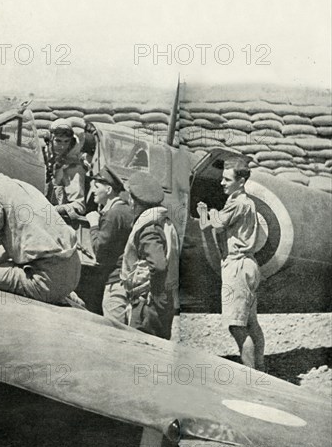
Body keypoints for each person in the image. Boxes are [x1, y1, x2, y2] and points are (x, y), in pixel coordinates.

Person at [0, 143, 81, 304]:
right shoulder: (19, 186)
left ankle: (54, 292)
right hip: (70, 272)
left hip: (45, 280)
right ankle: (67, 294)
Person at [197, 158, 265, 370]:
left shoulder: (237, 202)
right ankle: (261, 370)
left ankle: (250, 378)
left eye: (227, 179)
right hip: (248, 265)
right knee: (251, 323)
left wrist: (204, 212)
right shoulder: (247, 202)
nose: (222, 183)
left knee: (237, 326)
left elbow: (215, 224)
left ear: (241, 181)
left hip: (236, 266)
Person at [103, 171, 179, 340]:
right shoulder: (163, 222)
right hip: (163, 300)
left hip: (148, 304)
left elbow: (158, 265)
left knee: (140, 351)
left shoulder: (147, 229)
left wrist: (155, 296)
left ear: (132, 200)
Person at [85, 167, 134, 310]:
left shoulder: (112, 215)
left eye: (96, 187)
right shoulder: (126, 210)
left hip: (115, 283)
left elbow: (99, 251)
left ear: (108, 190)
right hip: (127, 278)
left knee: (114, 327)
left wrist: (93, 224)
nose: (93, 191)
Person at [46, 119, 86, 223]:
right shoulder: (43, 156)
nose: (62, 146)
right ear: (50, 139)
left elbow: (79, 205)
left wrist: (61, 208)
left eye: (66, 141)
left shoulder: (73, 167)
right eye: (58, 141)